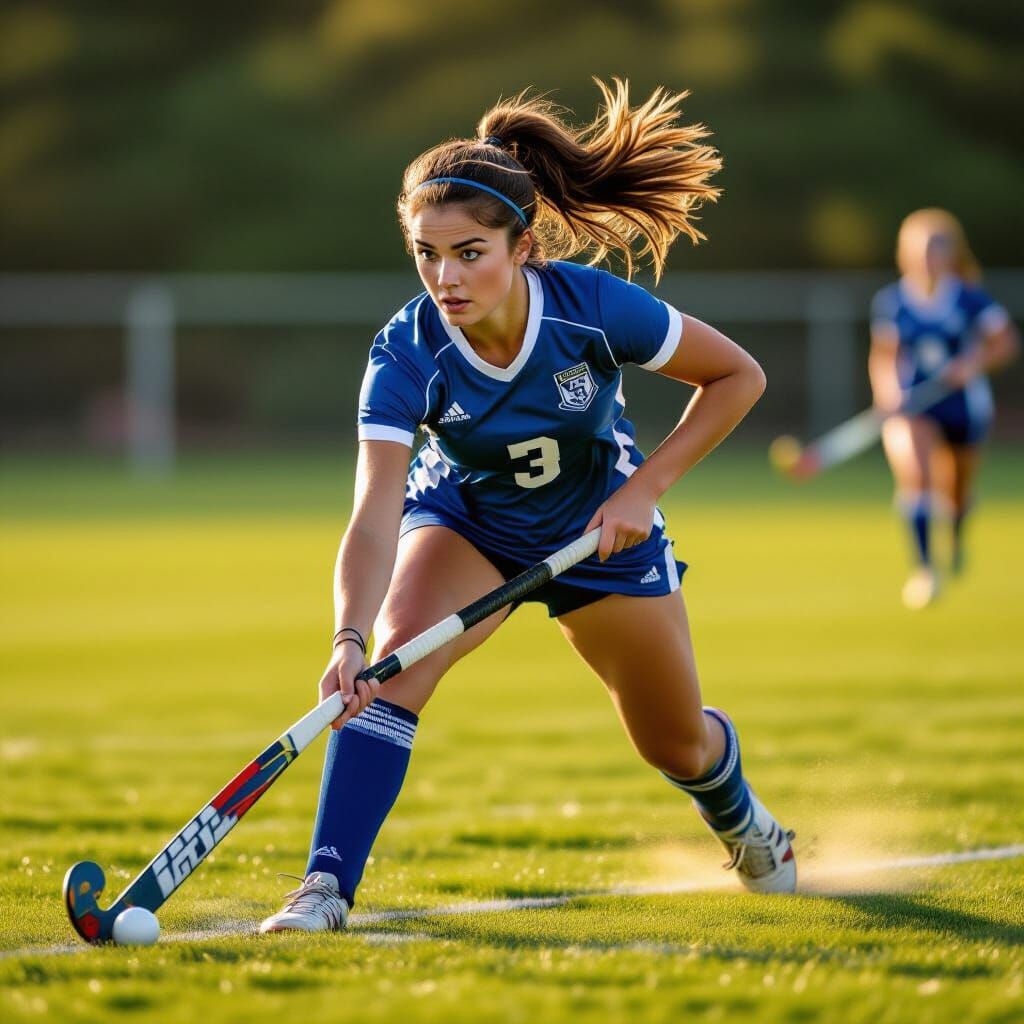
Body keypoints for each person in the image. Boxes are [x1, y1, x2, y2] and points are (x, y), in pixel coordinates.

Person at [260, 79, 795, 934]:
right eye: (427, 254)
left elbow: (739, 376)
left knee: (674, 744)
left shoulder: (590, 309)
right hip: (469, 523)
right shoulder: (406, 351)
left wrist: (641, 490)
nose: (446, 277)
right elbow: (374, 508)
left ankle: (741, 816)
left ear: (523, 244)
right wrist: (347, 638)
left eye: (470, 252)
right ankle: (324, 888)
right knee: (392, 674)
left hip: (598, 533)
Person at [869, 209, 1019, 609]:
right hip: (915, 403)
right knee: (916, 477)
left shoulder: (970, 298)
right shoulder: (893, 301)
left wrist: (971, 365)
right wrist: (888, 392)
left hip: (963, 405)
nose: (926, 259)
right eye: (918, 251)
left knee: (957, 492)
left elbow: (1005, 343)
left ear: (950, 254)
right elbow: (885, 355)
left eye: (935, 250)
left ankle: (954, 536)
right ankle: (924, 570)